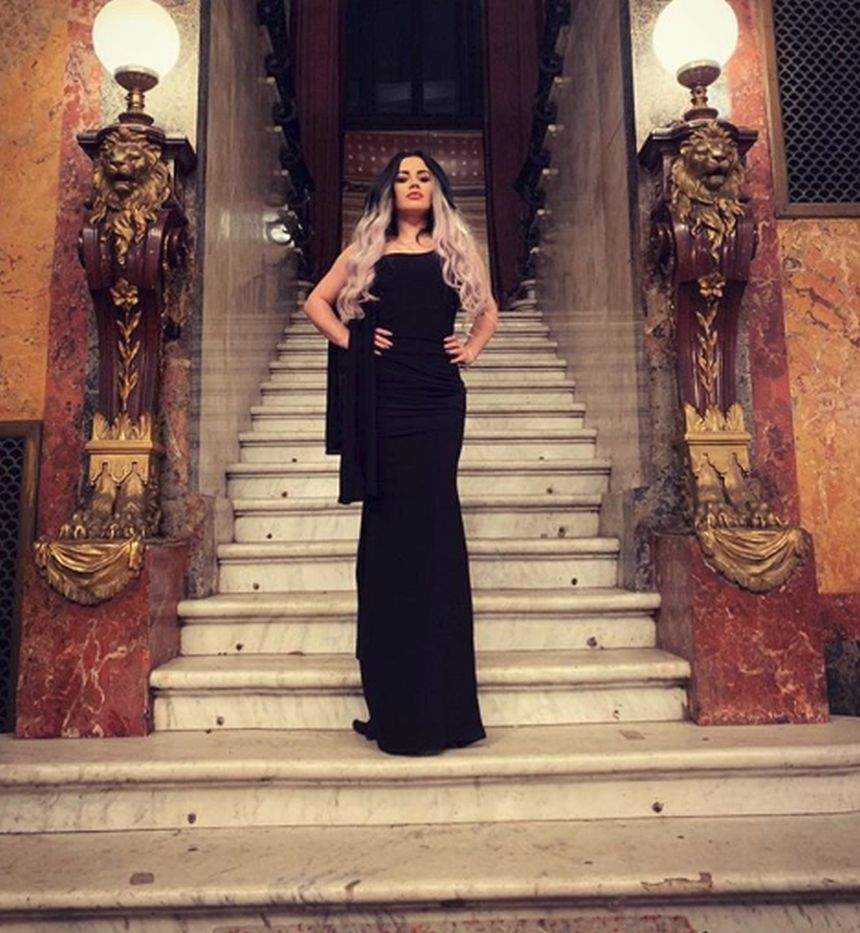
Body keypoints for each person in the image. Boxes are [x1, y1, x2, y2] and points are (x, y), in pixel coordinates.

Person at [303, 150, 499, 755]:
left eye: (424, 177)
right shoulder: (366, 250)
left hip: (438, 401)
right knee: (390, 534)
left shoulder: (456, 248)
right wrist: (354, 340)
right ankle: (397, 704)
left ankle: (445, 707)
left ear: (436, 190)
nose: (413, 185)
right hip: (386, 400)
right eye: (403, 178)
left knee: (436, 531)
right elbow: (317, 303)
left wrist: (471, 347)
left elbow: (488, 310)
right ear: (389, 191)